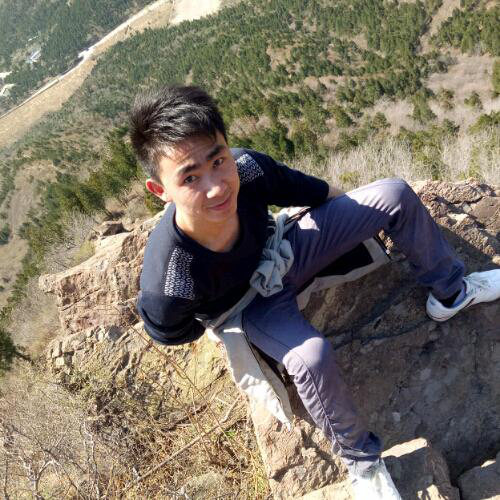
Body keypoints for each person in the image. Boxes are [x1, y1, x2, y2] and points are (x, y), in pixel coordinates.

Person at [129, 85, 500, 499]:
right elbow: (173, 331)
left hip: (281, 250)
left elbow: (315, 193)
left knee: (392, 194)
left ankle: (450, 292)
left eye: (218, 160)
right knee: (311, 357)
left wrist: (352, 220)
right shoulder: (171, 278)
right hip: (250, 307)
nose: (216, 186)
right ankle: (362, 463)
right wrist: (221, 327)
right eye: (190, 177)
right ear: (160, 191)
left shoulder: (248, 170)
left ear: (228, 149)